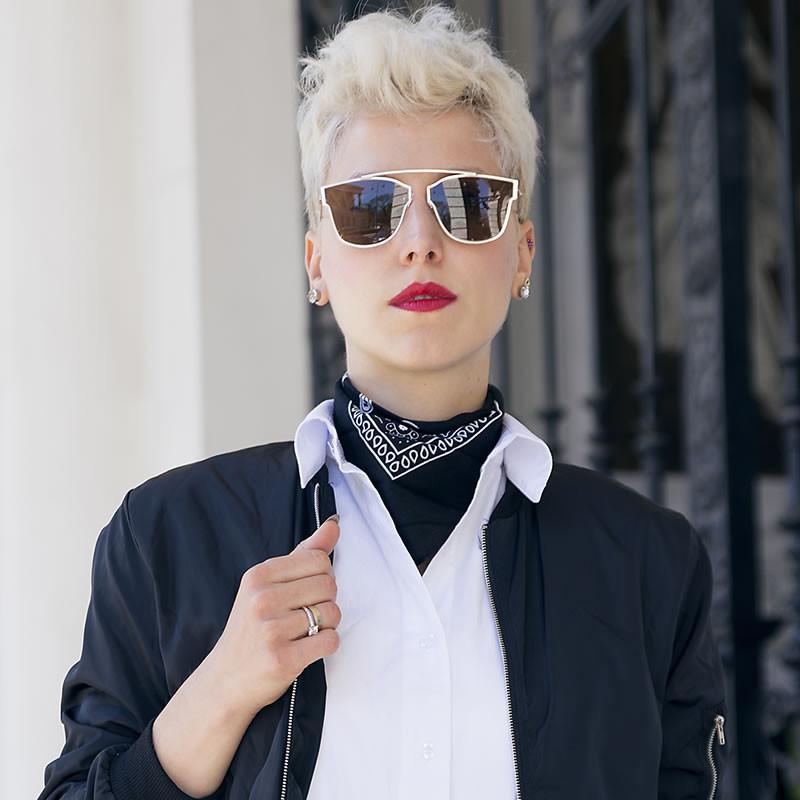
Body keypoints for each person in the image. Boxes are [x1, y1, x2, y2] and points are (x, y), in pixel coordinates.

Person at [38, 3, 729, 799]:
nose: (420, 243)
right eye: (369, 208)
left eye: (468, 202)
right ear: (316, 262)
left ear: (521, 253)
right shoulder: (167, 537)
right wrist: (220, 690)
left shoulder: (646, 565)